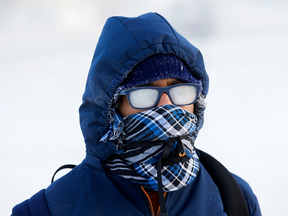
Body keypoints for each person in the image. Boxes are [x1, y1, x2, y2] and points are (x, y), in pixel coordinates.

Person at [12, 12, 261, 216]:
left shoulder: (235, 199)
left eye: (181, 90)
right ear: (111, 108)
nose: (167, 106)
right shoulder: (47, 211)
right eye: (144, 93)